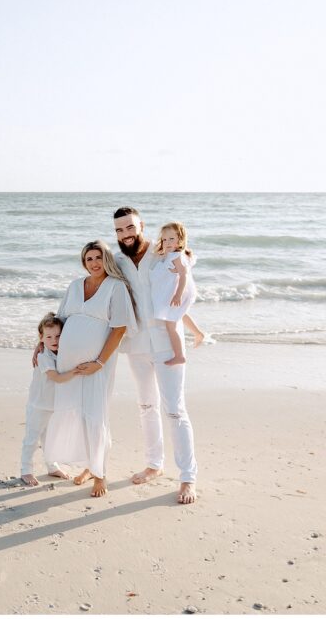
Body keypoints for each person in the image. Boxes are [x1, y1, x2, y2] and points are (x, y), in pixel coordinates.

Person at [113, 207, 198, 504]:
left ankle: (188, 478)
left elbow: (184, 288)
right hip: (135, 343)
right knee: (146, 405)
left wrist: (192, 327)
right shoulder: (118, 261)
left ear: (141, 226)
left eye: (130, 228)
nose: (125, 234)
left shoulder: (162, 253)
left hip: (165, 341)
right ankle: (154, 464)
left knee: (175, 409)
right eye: (120, 230)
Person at [42, 240, 137, 497]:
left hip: (96, 364)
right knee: (76, 414)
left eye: (97, 258)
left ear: (106, 259)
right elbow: (57, 320)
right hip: (68, 363)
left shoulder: (116, 288)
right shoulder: (75, 286)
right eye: (88, 259)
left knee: (95, 416)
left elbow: (119, 329)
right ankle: (88, 465)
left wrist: (99, 362)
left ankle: (100, 473)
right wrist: (39, 345)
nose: (93, 263)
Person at [20, 313, 77, 486]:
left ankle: (52, 466)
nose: (54, 340)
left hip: (53, 405)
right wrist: (76, 371)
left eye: (58, 336)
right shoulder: (44, 356)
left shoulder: (60, 353)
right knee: (32, 437)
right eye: (49, 337)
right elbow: (56, 377)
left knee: (50, 438)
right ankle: (26, 470)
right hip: (39, 404)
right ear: (41, 338)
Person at [151, 221, 207, 365]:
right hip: (181, 291)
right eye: (164, 239)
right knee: (180, 313)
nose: (167, 242)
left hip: (180, 292)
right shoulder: (178, 254)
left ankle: (179, 356)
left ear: (180, 240)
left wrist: (177, 295)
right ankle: (198, 333)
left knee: (171, 325)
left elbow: (184, 275)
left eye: (171, 239)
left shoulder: (176, 256)